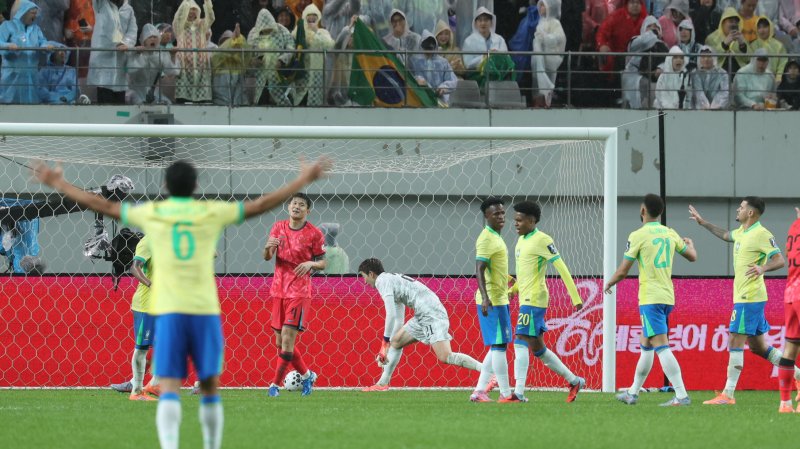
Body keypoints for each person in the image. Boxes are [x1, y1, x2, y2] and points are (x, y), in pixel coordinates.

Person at [32, 156, 331, 449]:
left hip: (170, 311)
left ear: (165, 184)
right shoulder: (210, 212)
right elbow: (260, 205)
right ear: (196, 185)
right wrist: (304, 178)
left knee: (170, 388)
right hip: (204, 312)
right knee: (210, 388)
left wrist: (59, 183)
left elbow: (103, 205)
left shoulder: (154, 213)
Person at [689, 198, 800, 405]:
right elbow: (724, 234)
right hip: (747, 297)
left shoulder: (762, 234)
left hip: (749, 297)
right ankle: (799, 377)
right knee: (758, 347)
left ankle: (728, 394)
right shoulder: (741, 232)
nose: (738, 209)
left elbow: (779, 260)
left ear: (751, 212)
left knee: (734, 339)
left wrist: (762, 268)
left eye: (741, 207)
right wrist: (703, 223)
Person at [606, 194, 697, 406]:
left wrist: (609, 283)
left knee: (661, 347)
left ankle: (681, 395)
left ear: (643, 211)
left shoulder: (638, 235)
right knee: (646, 345)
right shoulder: (670, 233)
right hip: (667, 296)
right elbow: (692, 256)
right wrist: (691, 244)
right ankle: (633, 393)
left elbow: (623, 270)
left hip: (650, 298)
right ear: (661, 212)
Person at [359, 258, 484, 391]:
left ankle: (486, 371)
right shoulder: (392, 282)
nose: (365, 281)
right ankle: (382, 383)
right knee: (396, 341)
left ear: (371, 274)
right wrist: (387, 346)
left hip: (430, 312)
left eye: (364, 277)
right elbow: (398, 320)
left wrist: (383, 345)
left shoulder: (381, 281)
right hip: (423, 312)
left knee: (445, 356)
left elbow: (391, 315)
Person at [509, 201, 585, 403]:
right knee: (538, 349)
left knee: (519, 341)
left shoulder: (542, 240)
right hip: (526, 297)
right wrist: (514, 289)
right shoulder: (521, 240)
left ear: (532, 220)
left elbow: (561, 267)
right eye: (514, 219)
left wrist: (575, 297)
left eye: (520, 220)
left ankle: (518, 392)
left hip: (534, 299)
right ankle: (574, 380)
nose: (515, 223)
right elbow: (525, 274)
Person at [263, 192, 326, 397]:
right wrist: (267, 248)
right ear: (288, 207)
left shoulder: (314, 234)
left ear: (308, 211)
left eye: (301, 204)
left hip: (299, 292)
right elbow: (267, 257)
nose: (296, 206)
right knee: (281, 344)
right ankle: (307, 376)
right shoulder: (278, 228)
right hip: (278, 290)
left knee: (288, 341)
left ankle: (274, 385)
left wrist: (310, 263)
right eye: (293, 203)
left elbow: (323, 263)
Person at [469, 197, 514, 403]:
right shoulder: (486, 238)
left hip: (500, 297)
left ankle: (479, 391)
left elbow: (492, 267)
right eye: (496, 213)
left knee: (498, 345)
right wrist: (486, 298)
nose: (501, 216)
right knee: (499, 347)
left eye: (503, 213)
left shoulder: (496, 237)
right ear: (486, 216)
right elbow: (479, 268)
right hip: (492, 300)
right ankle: (505, 394)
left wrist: (506, 278)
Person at [109, 234, 162, 401]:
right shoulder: (148, 241)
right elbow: (135, 267)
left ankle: (155, 384)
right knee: (142, 348)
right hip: (146, 304)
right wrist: (151, 284)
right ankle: (136, 390)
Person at [0, 1, 51, 104]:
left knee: (31, 105)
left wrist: (46, 46)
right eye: (32, 13)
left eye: (35, 13)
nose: (35, 16)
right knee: (10, 104)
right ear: (23, 12)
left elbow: (42, 41)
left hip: (31, 76)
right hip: (12, 76)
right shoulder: (7, 26)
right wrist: (7, 46)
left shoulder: (36, 29)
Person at [87, 0, 137, 105]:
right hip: (103, 58)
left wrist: (125, 43)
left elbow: (132, 30)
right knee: (105, 101)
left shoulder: (128, 9)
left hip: (120, 59)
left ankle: (120, 120)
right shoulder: (101, 4)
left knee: (120, 107)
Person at [247, 8, 295, 106]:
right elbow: (248, 53)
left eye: (269, 30)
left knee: (283, 103)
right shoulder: (253, 33)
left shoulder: (282, 30)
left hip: (279, 76)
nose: (267, 32)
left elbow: (291, 47)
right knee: (261, 103)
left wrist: (282, 60)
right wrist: (253, 61)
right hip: (261, 77)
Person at [778, 207, 800, 413]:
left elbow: (787, 253)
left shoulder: (794, 227)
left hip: (791, 291)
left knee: (790, 349)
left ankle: (785, 403)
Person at [127, 23, 181, 105]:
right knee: (139, 105)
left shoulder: (160, 54)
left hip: (153, 92)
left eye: (155, 37)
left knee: (167, 104)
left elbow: (172, 72)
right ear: (144, 41)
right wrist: (137, 54)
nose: (153, 39)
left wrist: (173, 56)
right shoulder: (136, 53)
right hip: (135, 91)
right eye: (149, 37)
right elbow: (131, 70)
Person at [621, 16, 668, 109]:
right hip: (634, 77)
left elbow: (667, 61)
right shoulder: (636, 41)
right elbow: (632, 47)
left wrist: (661, 68)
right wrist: (652, 34)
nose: (653, 28)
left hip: (654, 79)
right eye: (649, 26)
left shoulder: (663, 46)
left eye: (656, 26)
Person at [173, 0, 214, 103]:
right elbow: (178, 16)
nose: (192, 12)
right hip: (184, 64)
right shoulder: (180, 26)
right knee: (184, 97)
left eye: (194, 9)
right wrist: (186, 2)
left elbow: (211, 18)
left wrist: (207, 2)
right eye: (190, 9)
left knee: (201, 98)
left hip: (200, 65)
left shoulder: (201, 25)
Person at [293, 3, 334, 106]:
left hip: (317, 72)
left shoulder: (323, 32)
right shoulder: (297, 31)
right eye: (309, 19)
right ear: (304, 18)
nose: (311, 22)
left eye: (313, 19)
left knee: (316, 99)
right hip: (302, 71)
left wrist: (315, 33)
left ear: (318, 19)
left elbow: (330, 45)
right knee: (300, 100)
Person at [408, 30, 457, 106]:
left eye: (431, 48)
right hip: (419, 99)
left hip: (439, 100)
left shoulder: (443, 62)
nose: (428, 51)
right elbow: (408, 77)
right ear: (421, 46)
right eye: (426, 48)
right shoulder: (414, 61)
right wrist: (417, 79)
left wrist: (444, 87)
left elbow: (453, 80)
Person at [531, 0, 566, 107]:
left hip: (549, 60)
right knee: (536, 86)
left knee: (548, 86)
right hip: (538, 60)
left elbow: (560, 38)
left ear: (549, 7)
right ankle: (537, 104)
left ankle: (547, 104)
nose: (540, 7)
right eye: (540, 5)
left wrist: (545, 38)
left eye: (543, 5)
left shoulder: (555, 23)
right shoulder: (541, 21)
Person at [596, 0, 646, 73]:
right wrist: (602, 45)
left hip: (639, 59)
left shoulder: (646, 19)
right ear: (626, 4)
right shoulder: (615, 16)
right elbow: (602, 32)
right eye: (632, 2)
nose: (635, 5)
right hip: (617, 58)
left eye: (638, 3)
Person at [211, 24, 247, 106]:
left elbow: (245, 49)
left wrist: (239, 38)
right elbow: (219, 54)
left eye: (231, 42)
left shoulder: (240, 61)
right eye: (226, 42)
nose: (229, 44)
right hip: (219, 104)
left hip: (238, 105)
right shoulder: (216, 56)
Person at [705, 7, 748, 72]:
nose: (733, 24)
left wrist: (742, 45)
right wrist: (724, 44)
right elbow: (709, 58)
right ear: (723, 23)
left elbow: (748, 59)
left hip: (739, 74)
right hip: (718, 74)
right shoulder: (711, 38)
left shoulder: (741, 38)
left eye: (736, 22)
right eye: (731, 21)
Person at [748, 16, 788, 81]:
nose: (762, 30)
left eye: (765, 27)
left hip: (774, 79)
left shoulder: (779, 45)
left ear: (770, 28)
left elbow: (782, 64)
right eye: (759, 27)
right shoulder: (752, 45)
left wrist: (778, 78)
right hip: (755, 78)